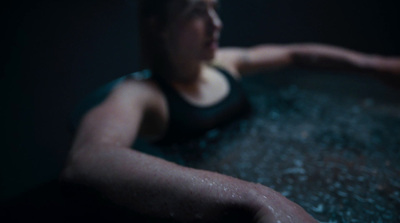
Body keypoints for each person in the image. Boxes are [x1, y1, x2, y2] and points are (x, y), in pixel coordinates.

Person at [61, 0, 400, 222]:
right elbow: (89, 159)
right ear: (158, 26)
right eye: (196, 11)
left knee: (384, 180)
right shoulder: (141, 95)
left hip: (287, 160)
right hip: (247, 186)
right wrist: (255, 198)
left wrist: (375, 65)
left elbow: (296, 54)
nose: (215, 23)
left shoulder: (225, 64)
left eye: (214, 8)